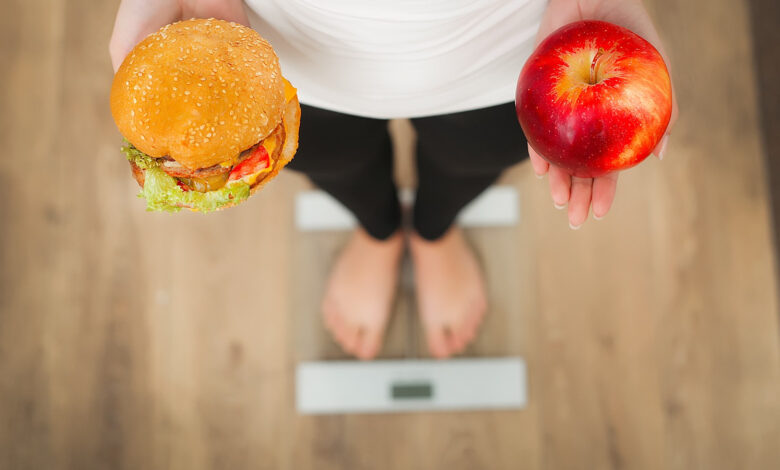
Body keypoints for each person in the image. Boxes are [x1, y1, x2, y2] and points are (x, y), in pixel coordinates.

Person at [110, 0, 677, 360]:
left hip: (519, 55)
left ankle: (434, 230)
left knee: (474, 156)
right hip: (280, 50)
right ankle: (378, 230)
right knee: (332, 161)